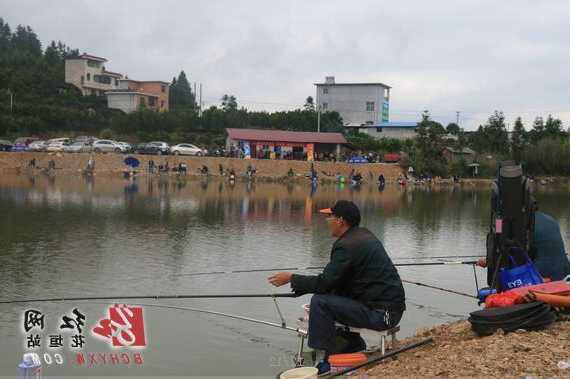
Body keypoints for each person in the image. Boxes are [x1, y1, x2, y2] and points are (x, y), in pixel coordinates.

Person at [268, 200, 405, 373]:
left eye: (330, 216)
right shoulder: (363, 235)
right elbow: (335, 283)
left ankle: (324, 361)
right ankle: (352, 344)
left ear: (340, 220)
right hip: (390, 311)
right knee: (331, 296)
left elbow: (324, 283)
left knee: (320, 302)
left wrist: (291, 278)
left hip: (382, 315)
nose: (327, 220)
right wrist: (301, 287)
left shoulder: (346, 246)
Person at [478, 211, 570, 281]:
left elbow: (505, 250)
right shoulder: (550, 219)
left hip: (540, 275)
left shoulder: (509, 222)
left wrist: (489, 261)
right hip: (565, 272)